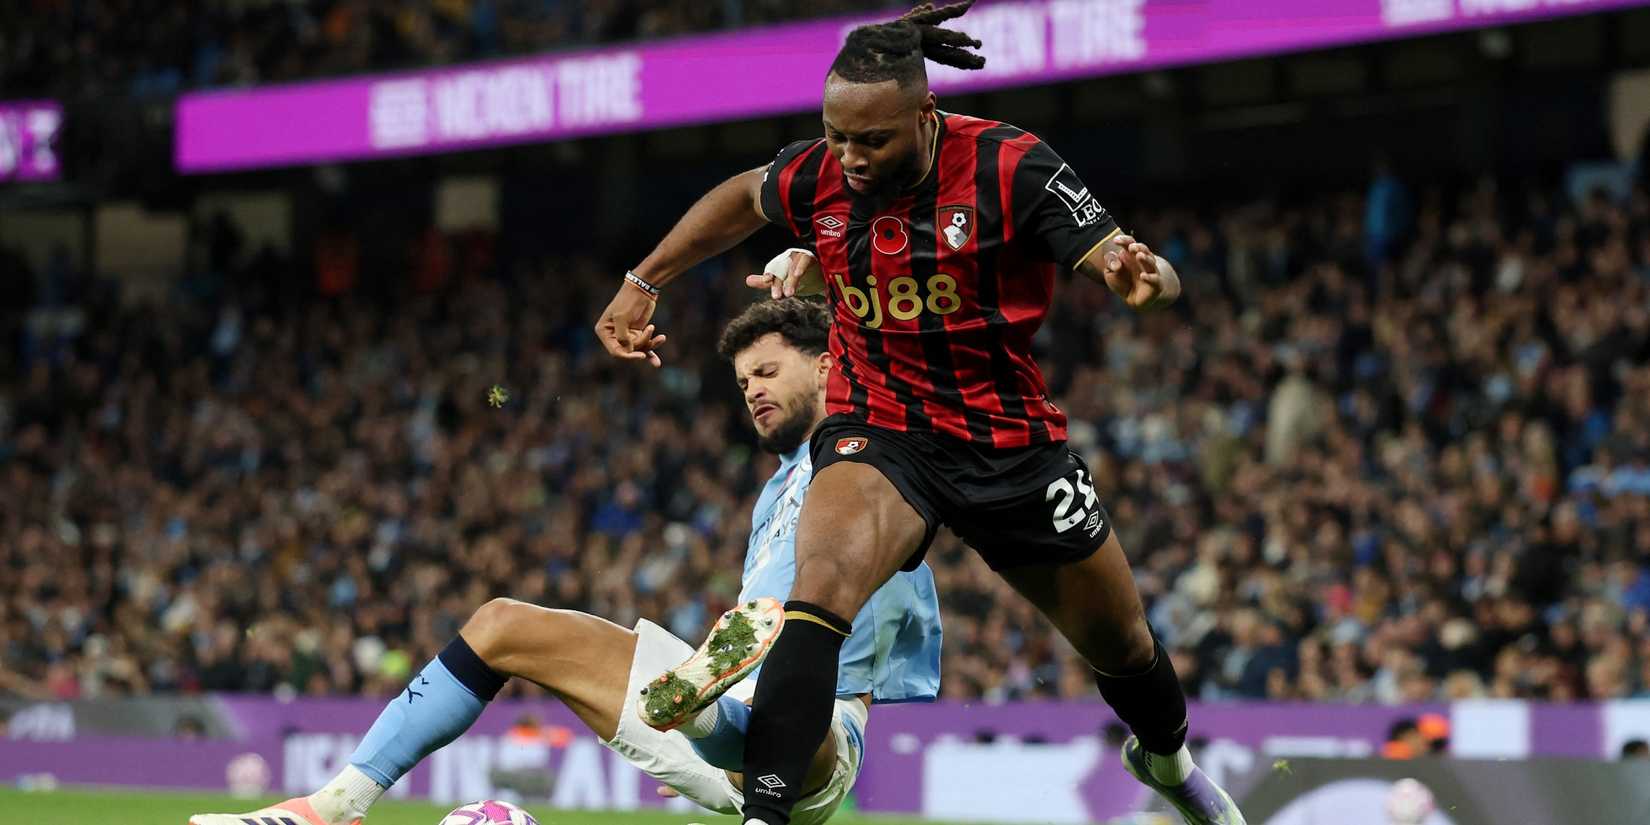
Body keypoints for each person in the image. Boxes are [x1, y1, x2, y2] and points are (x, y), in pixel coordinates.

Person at [592, 2, 1244, 824]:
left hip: (1009, 445)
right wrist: (644, 280)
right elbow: (742, 197)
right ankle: (765, 815)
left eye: (874, 140)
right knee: (816, 591)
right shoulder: (820, 174)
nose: (852, 158)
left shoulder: (1011, 164)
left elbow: (1127, 262)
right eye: (837, 136)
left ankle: (1169, 762)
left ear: (926, 118)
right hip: (881, 428)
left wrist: (1141, 279)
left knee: (1124, 644)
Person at [191, 298, 941, 825]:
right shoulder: (772, 493)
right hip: (723, 720)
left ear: (827, 365)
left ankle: (704, 706)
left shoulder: (872, 449)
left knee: (777, 706)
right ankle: (331, 809)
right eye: (744, 381)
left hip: (815, 739)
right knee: (502, 624)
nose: (753, 390)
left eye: (770, 372)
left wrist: (818, 275)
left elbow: (887, 342)